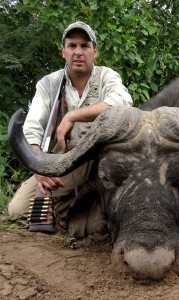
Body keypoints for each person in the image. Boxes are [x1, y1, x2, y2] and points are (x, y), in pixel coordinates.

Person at [8, 21, 133, 230]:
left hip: (101, 157)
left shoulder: (106, 76)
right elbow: (32, 130)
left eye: (84, 46)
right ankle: (79, 206)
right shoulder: (48, 84)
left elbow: (122, 104)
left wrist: (72, 116)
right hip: (63, 160)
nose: (78, 52)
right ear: (63, 51)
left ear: (95, 51)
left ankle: (82, 204)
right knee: (17, 210)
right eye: (72, 46)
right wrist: (39, 168)